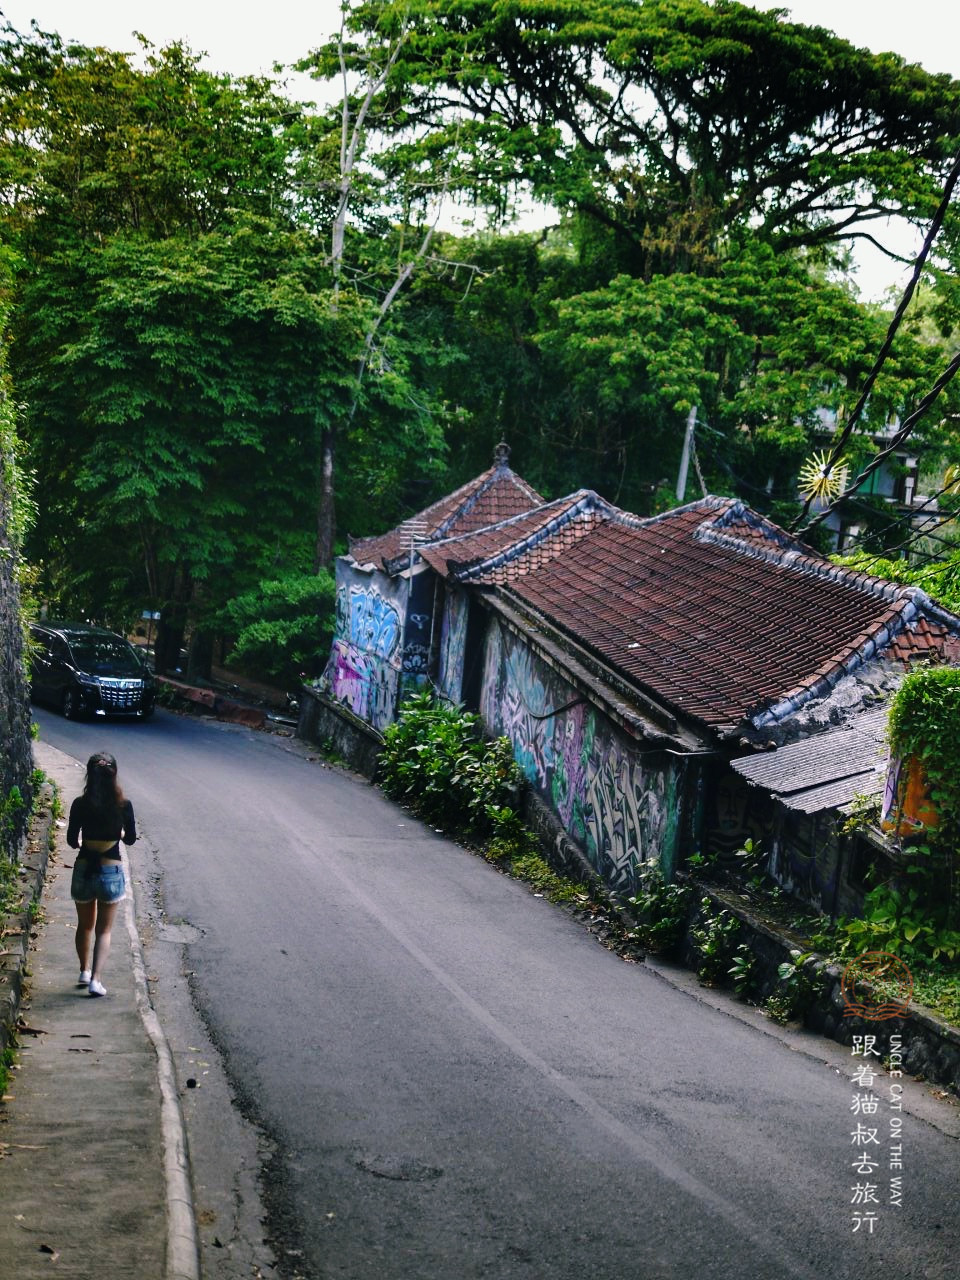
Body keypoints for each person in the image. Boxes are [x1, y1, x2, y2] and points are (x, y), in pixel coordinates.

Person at [66, 752, 136, 997]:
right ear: (113, 776)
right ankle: (96, 980)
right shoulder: (123, 805)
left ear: (89, 775)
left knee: (85, 926)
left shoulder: (80, 804)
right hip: (111, 871)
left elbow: (71, 841)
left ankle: (84, 971)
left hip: (85, 869)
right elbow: (131, 838)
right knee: (103, 931)